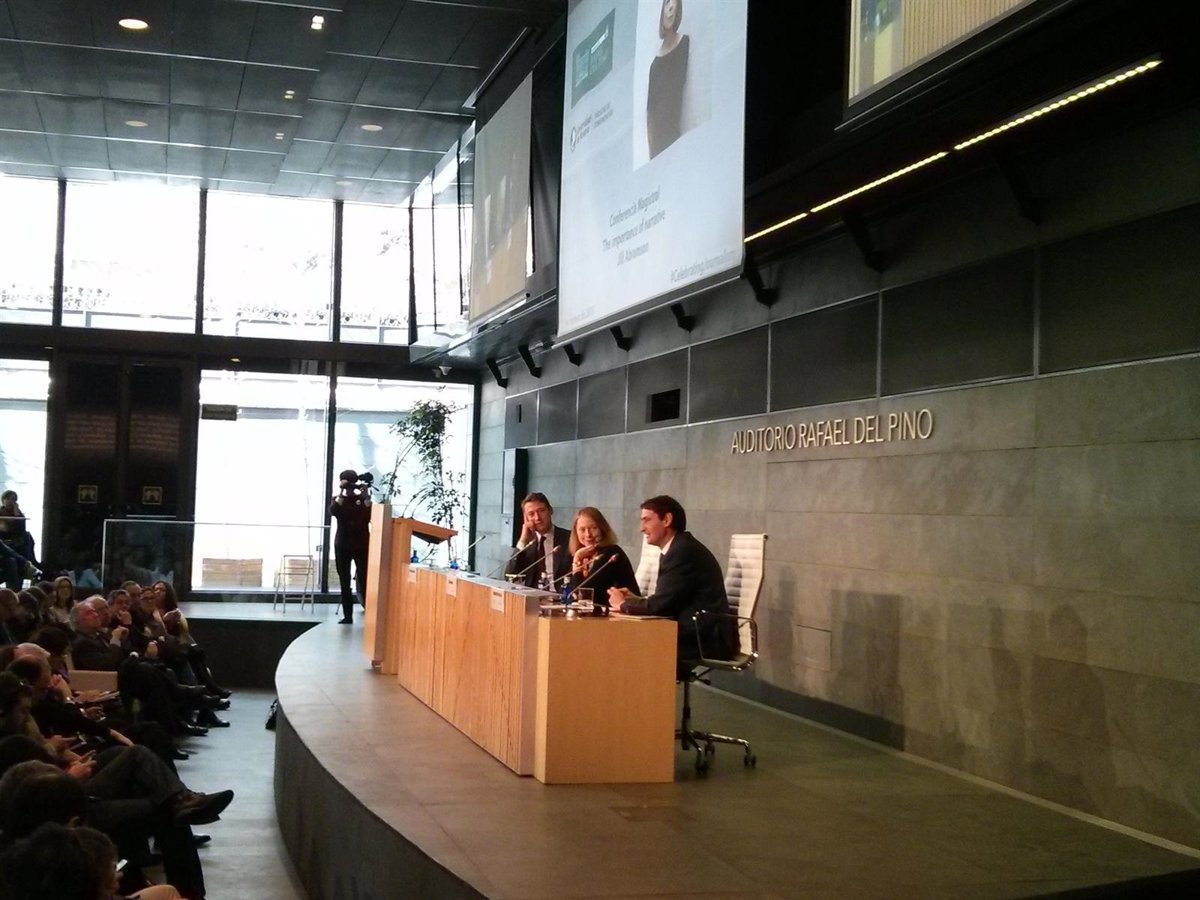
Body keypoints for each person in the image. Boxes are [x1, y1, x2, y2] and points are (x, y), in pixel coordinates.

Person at [607, 495, 735, 671]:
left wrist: (623, 604)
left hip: (704, 638)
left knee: (630, 646)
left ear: (666, 520)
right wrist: (635, 600)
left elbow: (661, 606)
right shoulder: (677, 548)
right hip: (694, 631)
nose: (641, 528)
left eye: (646, 520)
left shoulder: (683, 551)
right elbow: (669, 600)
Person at [646, 0, 690, 159]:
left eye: (674, 3)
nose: (671, 7)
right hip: (658, 149)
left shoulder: (685, 43)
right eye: (667, 3)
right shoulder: (654, 65)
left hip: (676, 141)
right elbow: (650, 114)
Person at [566, 507, 638, 603]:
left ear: (602, 529)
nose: (588, 534)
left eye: (593, 528)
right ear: (576, 532)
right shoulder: (583, 554)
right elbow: (569, 591)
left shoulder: (610, 552)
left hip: (623, 610)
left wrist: (577, 560)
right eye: (582, 529)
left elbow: (584, 595)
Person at [329, 469, 371, 624]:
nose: (350, 488)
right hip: (343, 545)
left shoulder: (362, 500)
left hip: (361, 544)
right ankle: (347, 615)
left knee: (365, 577)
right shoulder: (337, 499)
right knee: (344, 580)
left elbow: (370, 515)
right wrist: (341, 492)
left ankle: (369, 610)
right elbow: (333, 511)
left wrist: (366, 496)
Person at [504, 492, 571, 589]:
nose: (537, 518)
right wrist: (522, 540)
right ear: (526, 518)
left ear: (550, 510)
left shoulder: (569, 538)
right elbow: (509, 576)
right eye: (531, 514)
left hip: (560, 595)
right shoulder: (527, 544)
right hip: (532, 596)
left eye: (541, 511)